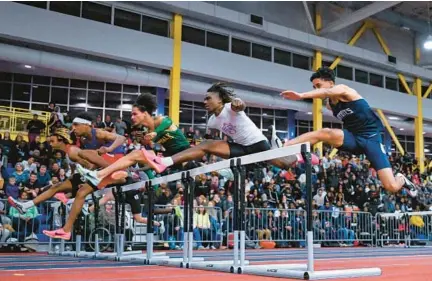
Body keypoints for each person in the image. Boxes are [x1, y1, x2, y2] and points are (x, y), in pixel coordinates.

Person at [279, 66, 416, 195]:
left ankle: (402, 179)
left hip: (371, 139)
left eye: (318, 86)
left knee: (391, 187)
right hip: (353, 138)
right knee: (325, 133)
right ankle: (287, 146)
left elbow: (327, 92)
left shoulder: (343, 89)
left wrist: (301, 95)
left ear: (331, 83)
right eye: (314, 87)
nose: (316, 89)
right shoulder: (330, 105)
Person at [75, 93, 192, 187]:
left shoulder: (160, 120)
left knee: (137, 154)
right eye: (131, 115)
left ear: (145, 113)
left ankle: (99, 175)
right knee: (136, 156)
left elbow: (168, 122)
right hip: (171, 158)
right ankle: (100, 175)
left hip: (185, 155)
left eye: (135, 114)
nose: (132, 117)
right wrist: (147, 143)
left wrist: (155, 133)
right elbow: (155, 147)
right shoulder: (146, 131)